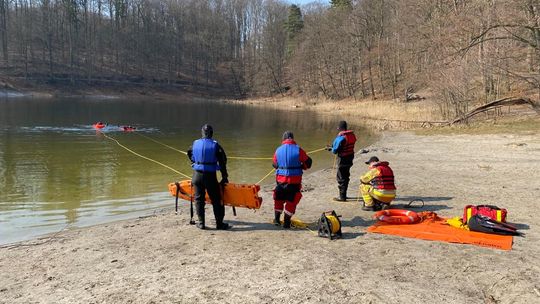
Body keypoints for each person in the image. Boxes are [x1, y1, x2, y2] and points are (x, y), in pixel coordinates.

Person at [187, 124, 231, 230]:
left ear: (202, 133)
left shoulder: (195, 143)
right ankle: (219, 224)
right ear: (211, 133)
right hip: (210, 176)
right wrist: (224, 177)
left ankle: (201, 223)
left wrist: (193, 162)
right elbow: (222, 162)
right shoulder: (216, 145)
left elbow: (188, 153)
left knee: (198, 199)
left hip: (197, 175)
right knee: (216, 199)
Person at [272, 131, 312, 228]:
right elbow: (309, 163)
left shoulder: (278, 150)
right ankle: (286, 222)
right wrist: (302, 166)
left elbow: (274, 164)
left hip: (280, 181)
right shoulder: (299, 150)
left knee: (278, 199)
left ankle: (277, 220)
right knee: (291, 201)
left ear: (283, 139)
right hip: (294, 182)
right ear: (292, 139)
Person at [327, 120, 357, 201]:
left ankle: (342, 197)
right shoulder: (352, 135)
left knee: (341, 177)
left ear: (340, 128)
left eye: (338, 127)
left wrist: (330, 149)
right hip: (350, 157)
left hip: (343, 159)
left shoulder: (341, 138)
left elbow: (335, 150)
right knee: (346, 176)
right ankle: (344, 195)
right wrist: (332, 148)